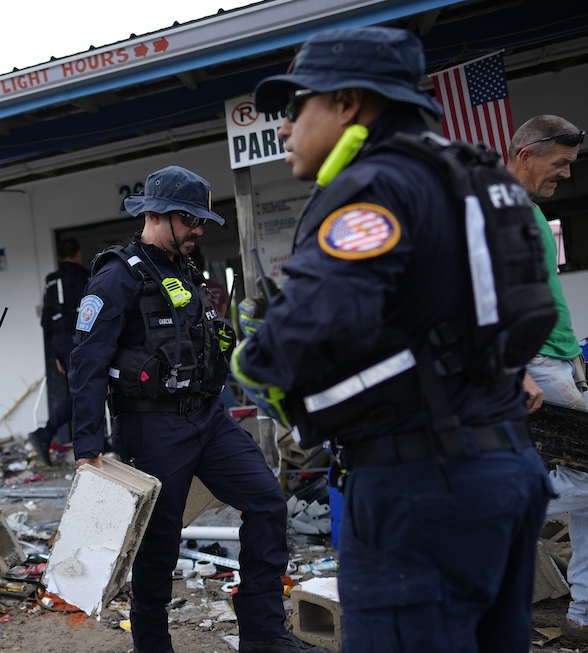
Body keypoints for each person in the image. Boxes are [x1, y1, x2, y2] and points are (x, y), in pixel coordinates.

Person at [233, 27, 550, 651]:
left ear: (349, 102)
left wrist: (256, 351)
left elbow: (297, 340)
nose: (285, 129)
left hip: (423, 487)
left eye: (298, 107)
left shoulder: (376, 188)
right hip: (508, 469)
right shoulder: (481, 177)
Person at [68, 165, 323, 653]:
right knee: (158, 547)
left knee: (268, 501)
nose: (200, 231)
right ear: (159, 214)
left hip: (208, 419)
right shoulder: (118, 277)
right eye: (192, 220)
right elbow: (86, 363)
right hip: (151, 427)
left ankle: (263, 633)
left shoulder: (186, 269)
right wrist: (87, 446)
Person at [506, 115, 588, 643]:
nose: (566, 174)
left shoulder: (529, 211)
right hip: (532, 361)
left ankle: (583, 615)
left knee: (584, 476)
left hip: (557, 358)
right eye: (559, 163)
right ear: (526, 154)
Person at [29, 237, 90, 465]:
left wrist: (55, 353)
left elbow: (46, 320)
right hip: (78, 338)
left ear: (58, 256)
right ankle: (46, 433)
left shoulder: (50, 281)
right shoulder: (84, 275)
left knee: (79, 389)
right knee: (82, 390)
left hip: (59, 340)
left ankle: (88, 440)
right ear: (78, 252)